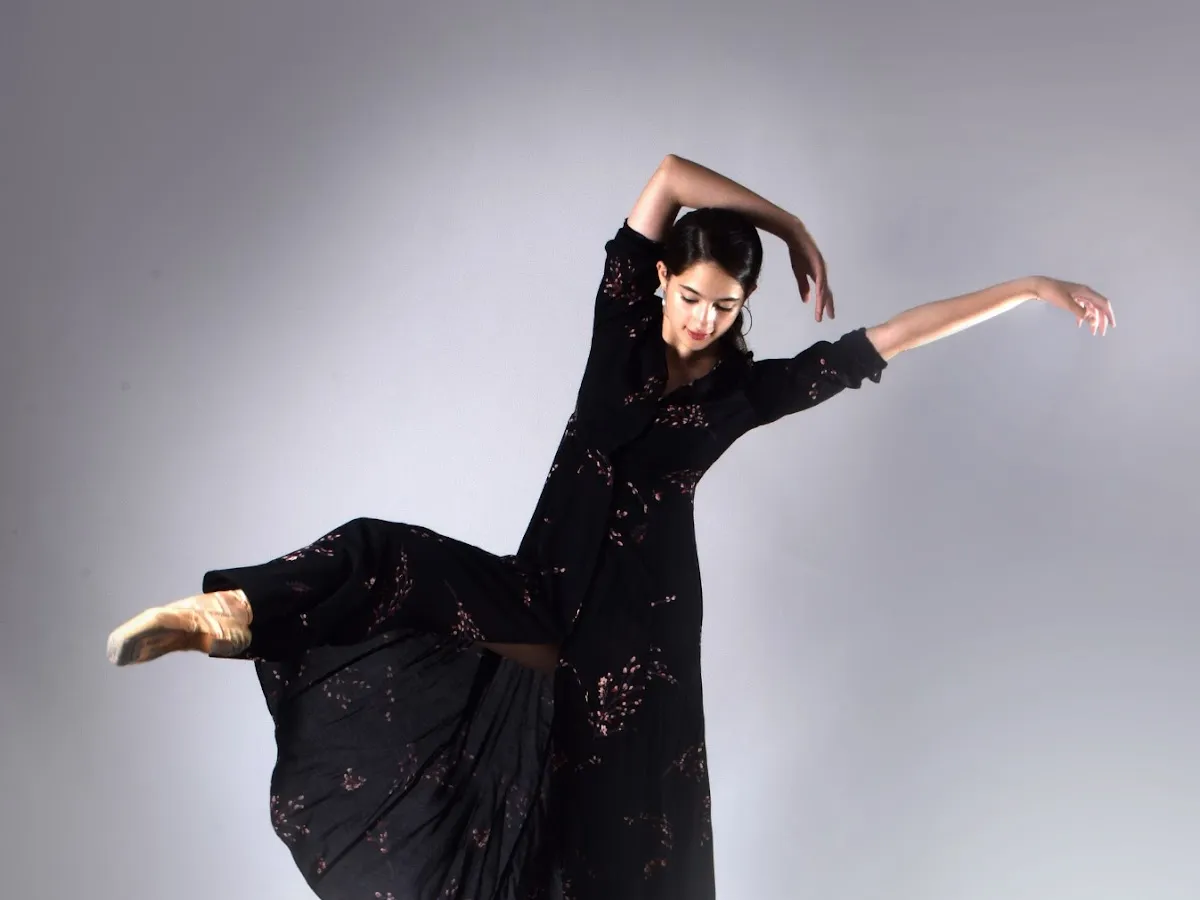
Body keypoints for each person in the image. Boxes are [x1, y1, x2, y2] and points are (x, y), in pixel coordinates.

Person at [105, 154, 1114, 900]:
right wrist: (790, 221)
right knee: (381, 553)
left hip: (639, 641)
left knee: (613, 841)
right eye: (691, 295)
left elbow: (884, 340)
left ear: (744, 308)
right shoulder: (619, 329)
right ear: (662, 281)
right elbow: (669, 176)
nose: (702, 318)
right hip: (539, 589)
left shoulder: (743, 396)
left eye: (725, 306)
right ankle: (225, 615)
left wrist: (1028, 288)